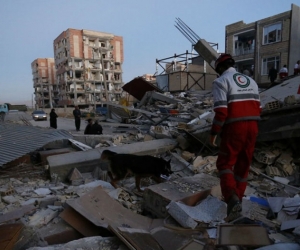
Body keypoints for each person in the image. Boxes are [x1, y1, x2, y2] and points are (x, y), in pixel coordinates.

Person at [210, 53, 261, 221]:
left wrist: (214, 132)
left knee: (225, 163)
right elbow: (257, 106)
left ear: (220, 68)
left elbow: (222, 111)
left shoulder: (221, 82)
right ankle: (238, 199)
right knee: (243, 164)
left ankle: (231, 198)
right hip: (253, 126)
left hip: (235, 126)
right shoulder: (251, 81)